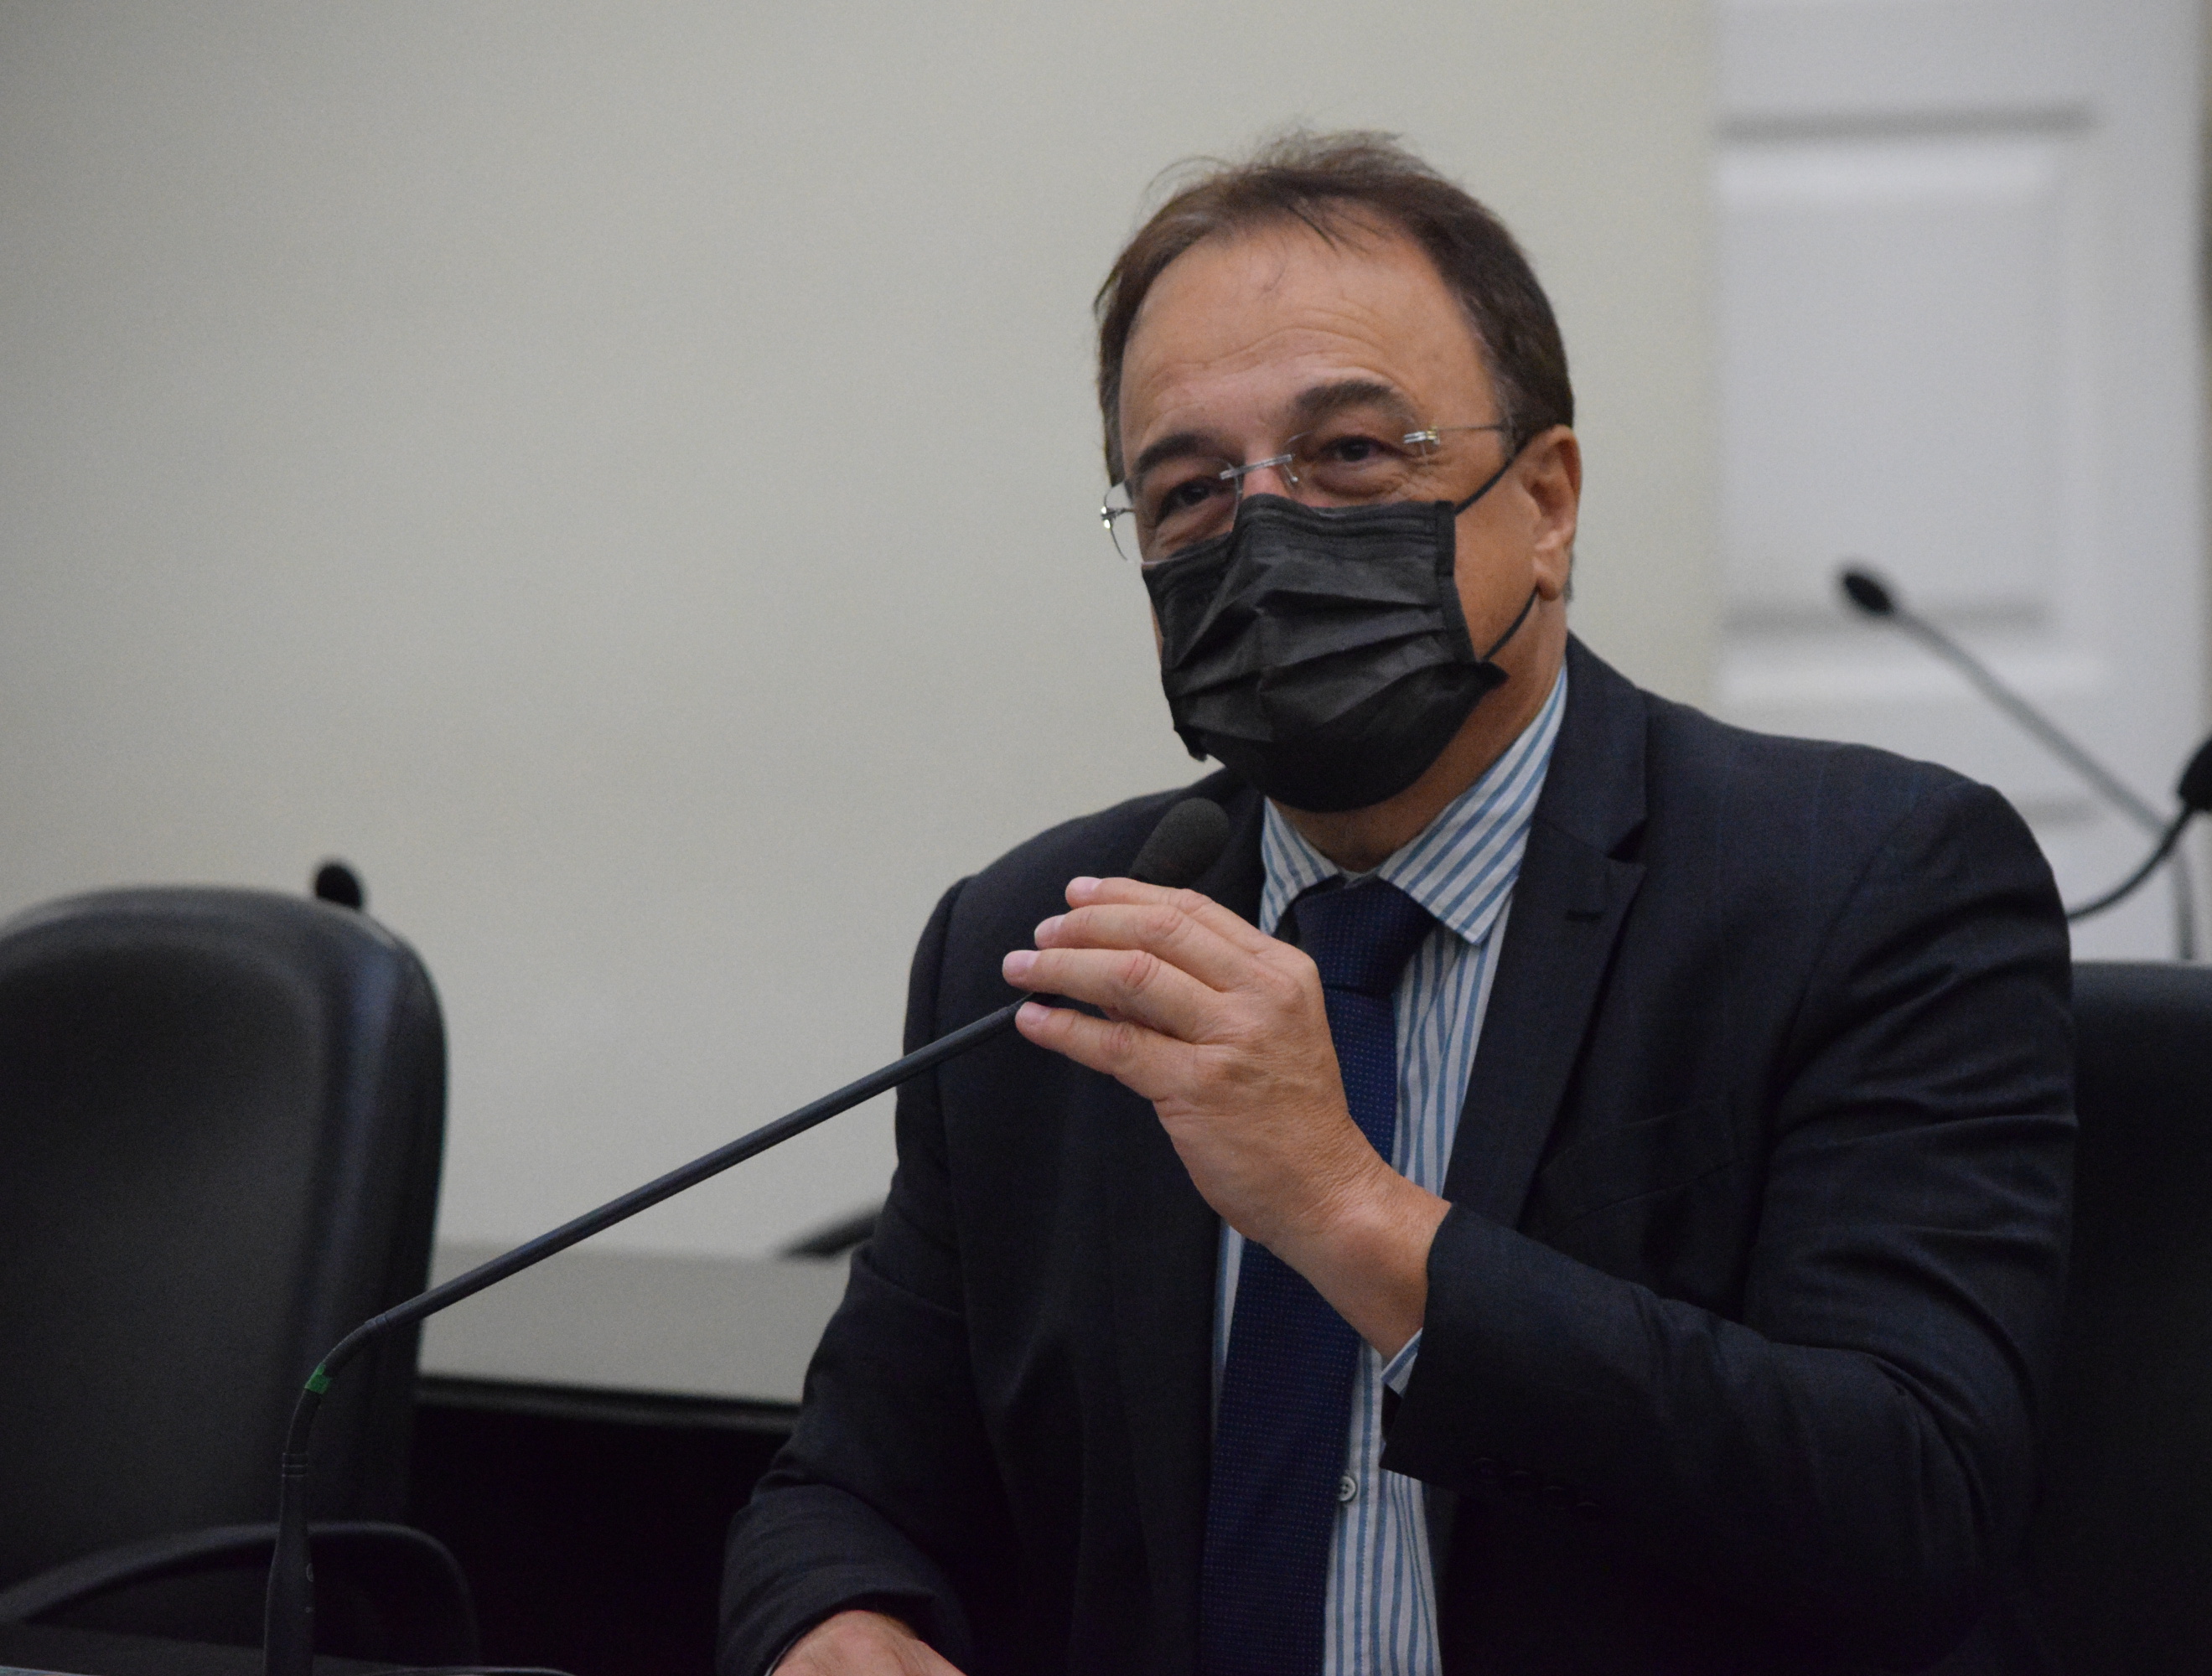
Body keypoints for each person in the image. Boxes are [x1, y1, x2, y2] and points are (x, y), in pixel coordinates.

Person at [721, 132, 2072, 1676]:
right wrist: (840, 1621)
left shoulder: (1865, 885)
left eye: (1353, 454)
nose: (1264, 534)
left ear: (1546, 501)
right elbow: (844, 1492)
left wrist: (1347, 1209)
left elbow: (1914, 1503)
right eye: (1188, 492)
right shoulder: (1051, 945)